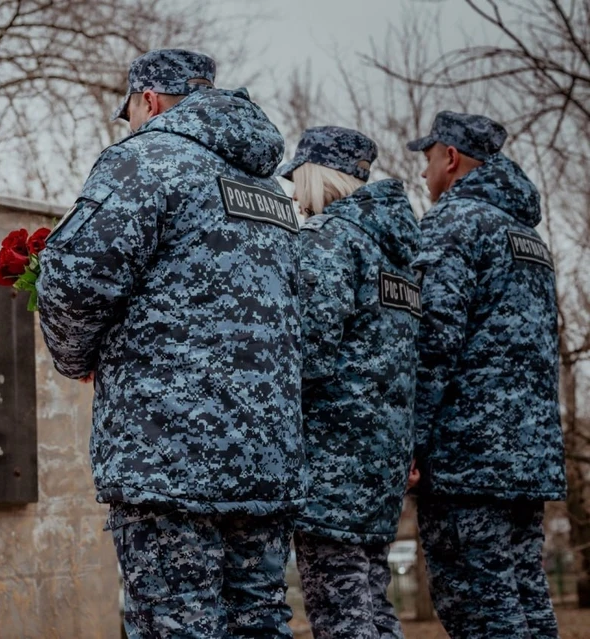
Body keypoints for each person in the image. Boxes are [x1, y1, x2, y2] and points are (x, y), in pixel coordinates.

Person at [36, 49, 306, 638]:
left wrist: (77, 358)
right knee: (257, 624)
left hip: (171, 456)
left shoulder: (145, 159)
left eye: (131, 110)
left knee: (172, 625)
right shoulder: (271, 191)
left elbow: (73, 281)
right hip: (264, 456)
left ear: (148, 100)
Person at [407, 111, 567, 638]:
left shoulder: (455, 223)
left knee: (481, 609)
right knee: (525, 598)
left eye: (428, 158)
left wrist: (410, 441)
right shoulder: (526, 237)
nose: (425, 172)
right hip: (527, 454)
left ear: (451, 158)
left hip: (467, 459)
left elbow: (433, 341)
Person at [276, 127, 421, 639]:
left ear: (319, 177)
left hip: (331, 458)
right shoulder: (398, 254)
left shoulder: (328, 240)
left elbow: (308, 352)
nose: (294, 194)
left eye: (298, 179)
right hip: (383, 456)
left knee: (340, 611)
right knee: (371, 603)